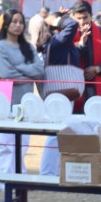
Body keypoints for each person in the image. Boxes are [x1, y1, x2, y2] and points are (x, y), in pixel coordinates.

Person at [0, 9, 44, 185]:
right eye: (14, 21)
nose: (18, 25)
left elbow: (39, 69)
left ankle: (19, 179)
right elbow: (6, 74)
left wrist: (19, 69)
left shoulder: (29, 47)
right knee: (5, 144)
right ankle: (3, 181)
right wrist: (28, 73)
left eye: (21, 22)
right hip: (4, 103)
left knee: (22, 144)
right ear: (6, 24)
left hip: (25, 102)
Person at [37, 12, 81, 177]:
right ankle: (48, 172)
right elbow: (72, 24)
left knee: (58, 132)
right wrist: (56, 19)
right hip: (62, 92)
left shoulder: (55, 42)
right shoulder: (57, 41)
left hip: (61, 92)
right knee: (56, 133)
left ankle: (52, 171)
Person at [72, 0, 101, 113]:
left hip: (97, 86)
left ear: (91, 16)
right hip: (74, 88)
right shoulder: (67, 35)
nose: (82, 22)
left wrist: (98, 68)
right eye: (78, 18)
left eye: (85, 17)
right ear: (73, 17)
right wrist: (80, 44)